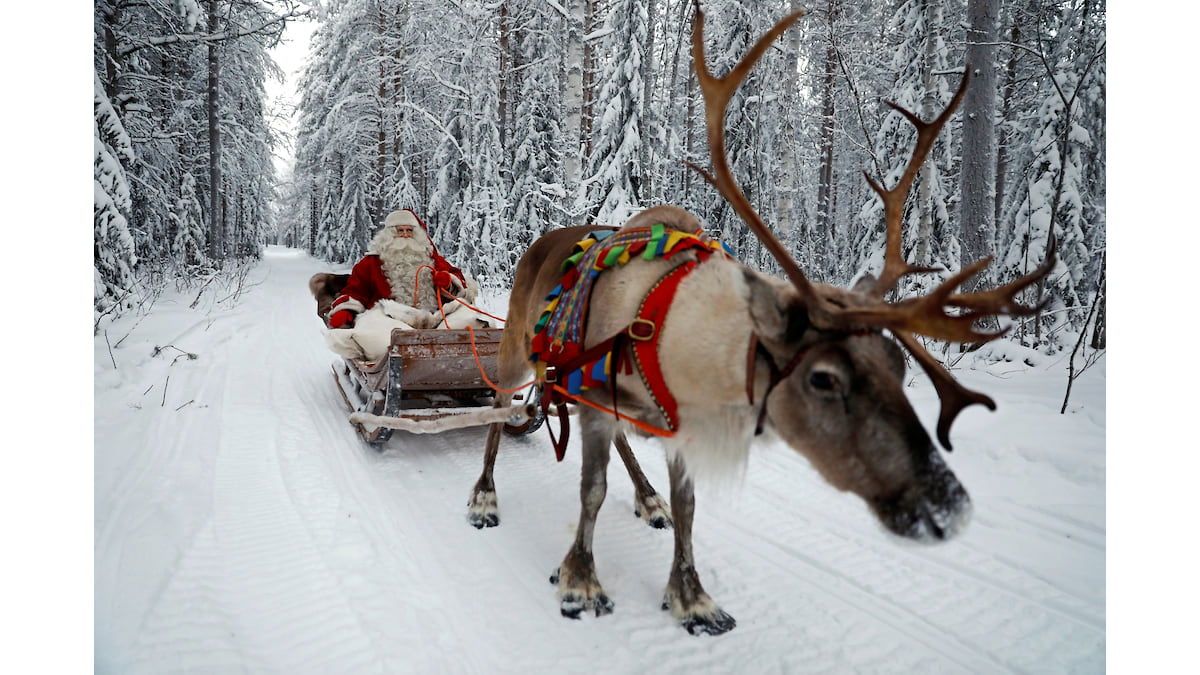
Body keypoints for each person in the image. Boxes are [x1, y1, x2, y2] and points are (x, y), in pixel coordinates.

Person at [323, 209, 493, 361]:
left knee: (476, 321)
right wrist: (347, 310)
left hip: (434, 321)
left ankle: (465, 358)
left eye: (409, 230)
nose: (405, 235)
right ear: (389, 234)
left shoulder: (432, 259)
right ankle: (410, 357)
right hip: (388, 318)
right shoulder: (370, 263)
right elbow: (356, 290)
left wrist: (448, 281)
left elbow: (458, 280)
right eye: (400, 231)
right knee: (388, 339)